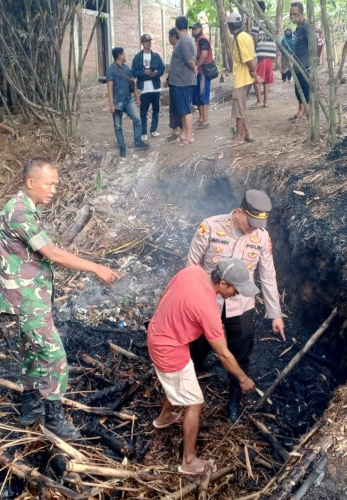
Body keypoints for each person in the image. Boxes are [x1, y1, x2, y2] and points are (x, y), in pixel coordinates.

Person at [0, 158, 121, 438]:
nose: (53, 190)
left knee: (30, 349)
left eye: (56, 185)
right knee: (54, 354)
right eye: (49, 184)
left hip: (28, 294)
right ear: (30, 182)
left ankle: (30, 406)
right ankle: (54, 416)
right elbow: (53, 253)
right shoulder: (19, 213)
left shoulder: (24, 207)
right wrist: (96, 267)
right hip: (27, 296)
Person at [148, 259, 257, 475]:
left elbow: (163, 297)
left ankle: (164, 418)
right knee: (195, 402)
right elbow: (224, 354)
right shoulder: (208, 310)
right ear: (224, 283)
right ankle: (188, 461)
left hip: (158, 332)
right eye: (236, 289)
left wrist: (170, 323)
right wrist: (243, 379)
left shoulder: (192, 272)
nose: (237, 294)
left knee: (179, 380)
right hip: (168, 350)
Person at [187, 190, 285, 422]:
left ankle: (234, 398)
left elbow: (268, 276)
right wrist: (193, 299)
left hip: (241, 304)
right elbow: (191, 266)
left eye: (258, 224)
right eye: (250, 222)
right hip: (207, 300)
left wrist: (275, 314)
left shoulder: (261, 236)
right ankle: (193, 375)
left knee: (241, 351)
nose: (253, 228)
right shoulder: (210, 226)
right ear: (239, 212)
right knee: (198, 343)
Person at [106, 47, 151, 158]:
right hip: (117, 102)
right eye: (124, 54)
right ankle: (122, 148)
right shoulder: (111, 70)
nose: (125, 56)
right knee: (118, 126)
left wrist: (137, 98)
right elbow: (110, 89)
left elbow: (133, 84)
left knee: (137, 119)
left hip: (128, 99)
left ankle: (138, 142)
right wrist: (111, 104)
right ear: (120, 55)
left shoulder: (127, 68)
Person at [227, 12, 262, 144]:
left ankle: (239, 137)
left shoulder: (238, 39)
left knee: (239, 111)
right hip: (246, 78)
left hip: (241, 79)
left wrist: (254, 73)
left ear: (230, 26)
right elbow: (254, 56)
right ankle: (248, 134)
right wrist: (253, 74)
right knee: (241, 108)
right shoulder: (246, 36)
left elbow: (248, 59)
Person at [131, 34, 165, 141]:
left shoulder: (156, 56)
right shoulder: (138, 57)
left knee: (156, 109)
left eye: (149, 41)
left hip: (155, 87)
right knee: (143, 111)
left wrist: (157, 72)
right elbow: (133, 72)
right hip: (144, 88)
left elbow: (162, 68)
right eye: (146, 41)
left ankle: (153, 130)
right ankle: (143, 132)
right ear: (142, 43)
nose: (148, 43)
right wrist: (143, 72)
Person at [170, 16, 197, 146]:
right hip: (179, 81)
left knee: (186, 109)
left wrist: (194, 69)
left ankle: (189, 136)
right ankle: (183, 133)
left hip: (183, 81)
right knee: (182, 109)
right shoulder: (185, 40)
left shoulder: (185, 41)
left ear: (176, 26)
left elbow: (189, 60)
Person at [251, 1, 277, 108]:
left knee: (256, 77)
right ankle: (265, 101)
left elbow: (255, 38)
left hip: (262, 51)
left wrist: (255, 50)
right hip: (271, 52)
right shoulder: (270, 21)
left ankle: (259, 101)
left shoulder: (257, 21)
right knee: (267, 77)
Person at [289, 2, 310, 121]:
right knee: (298, 89)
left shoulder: (306, 26)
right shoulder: (298, 27)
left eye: (295, 14)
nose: (292, 17)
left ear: (301, 13)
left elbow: (313, 44)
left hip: (305, 64)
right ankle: (300, 111)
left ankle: (308, 113)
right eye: (291, 14)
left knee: (306, 89)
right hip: (298, 63)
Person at [190, 22, 213, 129]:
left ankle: (206, 120)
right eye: (192, 29)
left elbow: (204, 55)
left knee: (203, 95)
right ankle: (201, 118)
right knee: (199, 95)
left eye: (195, 29)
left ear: (200, 29)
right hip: (199, 71)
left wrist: (196, 66)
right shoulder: (197, 40)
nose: (193, 31)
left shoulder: (203, 40)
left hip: (203, 71)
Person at [163, 28, 182, 142]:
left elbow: (176, 67)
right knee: (174, 106)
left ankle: (179, 129)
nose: (169, 39)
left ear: (174, 37)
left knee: (176, 106)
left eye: (169, 37)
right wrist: (168, 79)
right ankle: (176, 129)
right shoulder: (177, 48)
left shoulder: (179, 48)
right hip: (175, 81)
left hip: (178, 82)